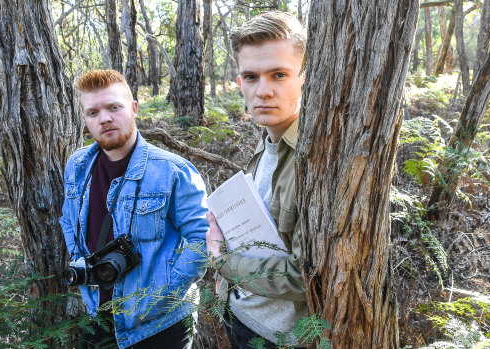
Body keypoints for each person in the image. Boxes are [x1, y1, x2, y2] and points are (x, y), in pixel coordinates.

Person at [59, 70, 208, 349]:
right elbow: (69, 222)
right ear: (85, 120)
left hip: (162, 324)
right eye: (93, 113)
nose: (104, 118)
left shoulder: (172, 171)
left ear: (134, 108)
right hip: (101, 317)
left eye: (114, 107)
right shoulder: (77, 167)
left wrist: (162, 297)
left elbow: (201, 240)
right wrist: (81, 265)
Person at [206, 11, 308, 348]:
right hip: (240, 316)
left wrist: (223, 262)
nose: (263, 91)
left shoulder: (313, 160)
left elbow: (305, 278)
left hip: (279, 339)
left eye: (279, 74)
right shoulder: (267, 146)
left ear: (304, 77)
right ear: (239, 83)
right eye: (251, 77)